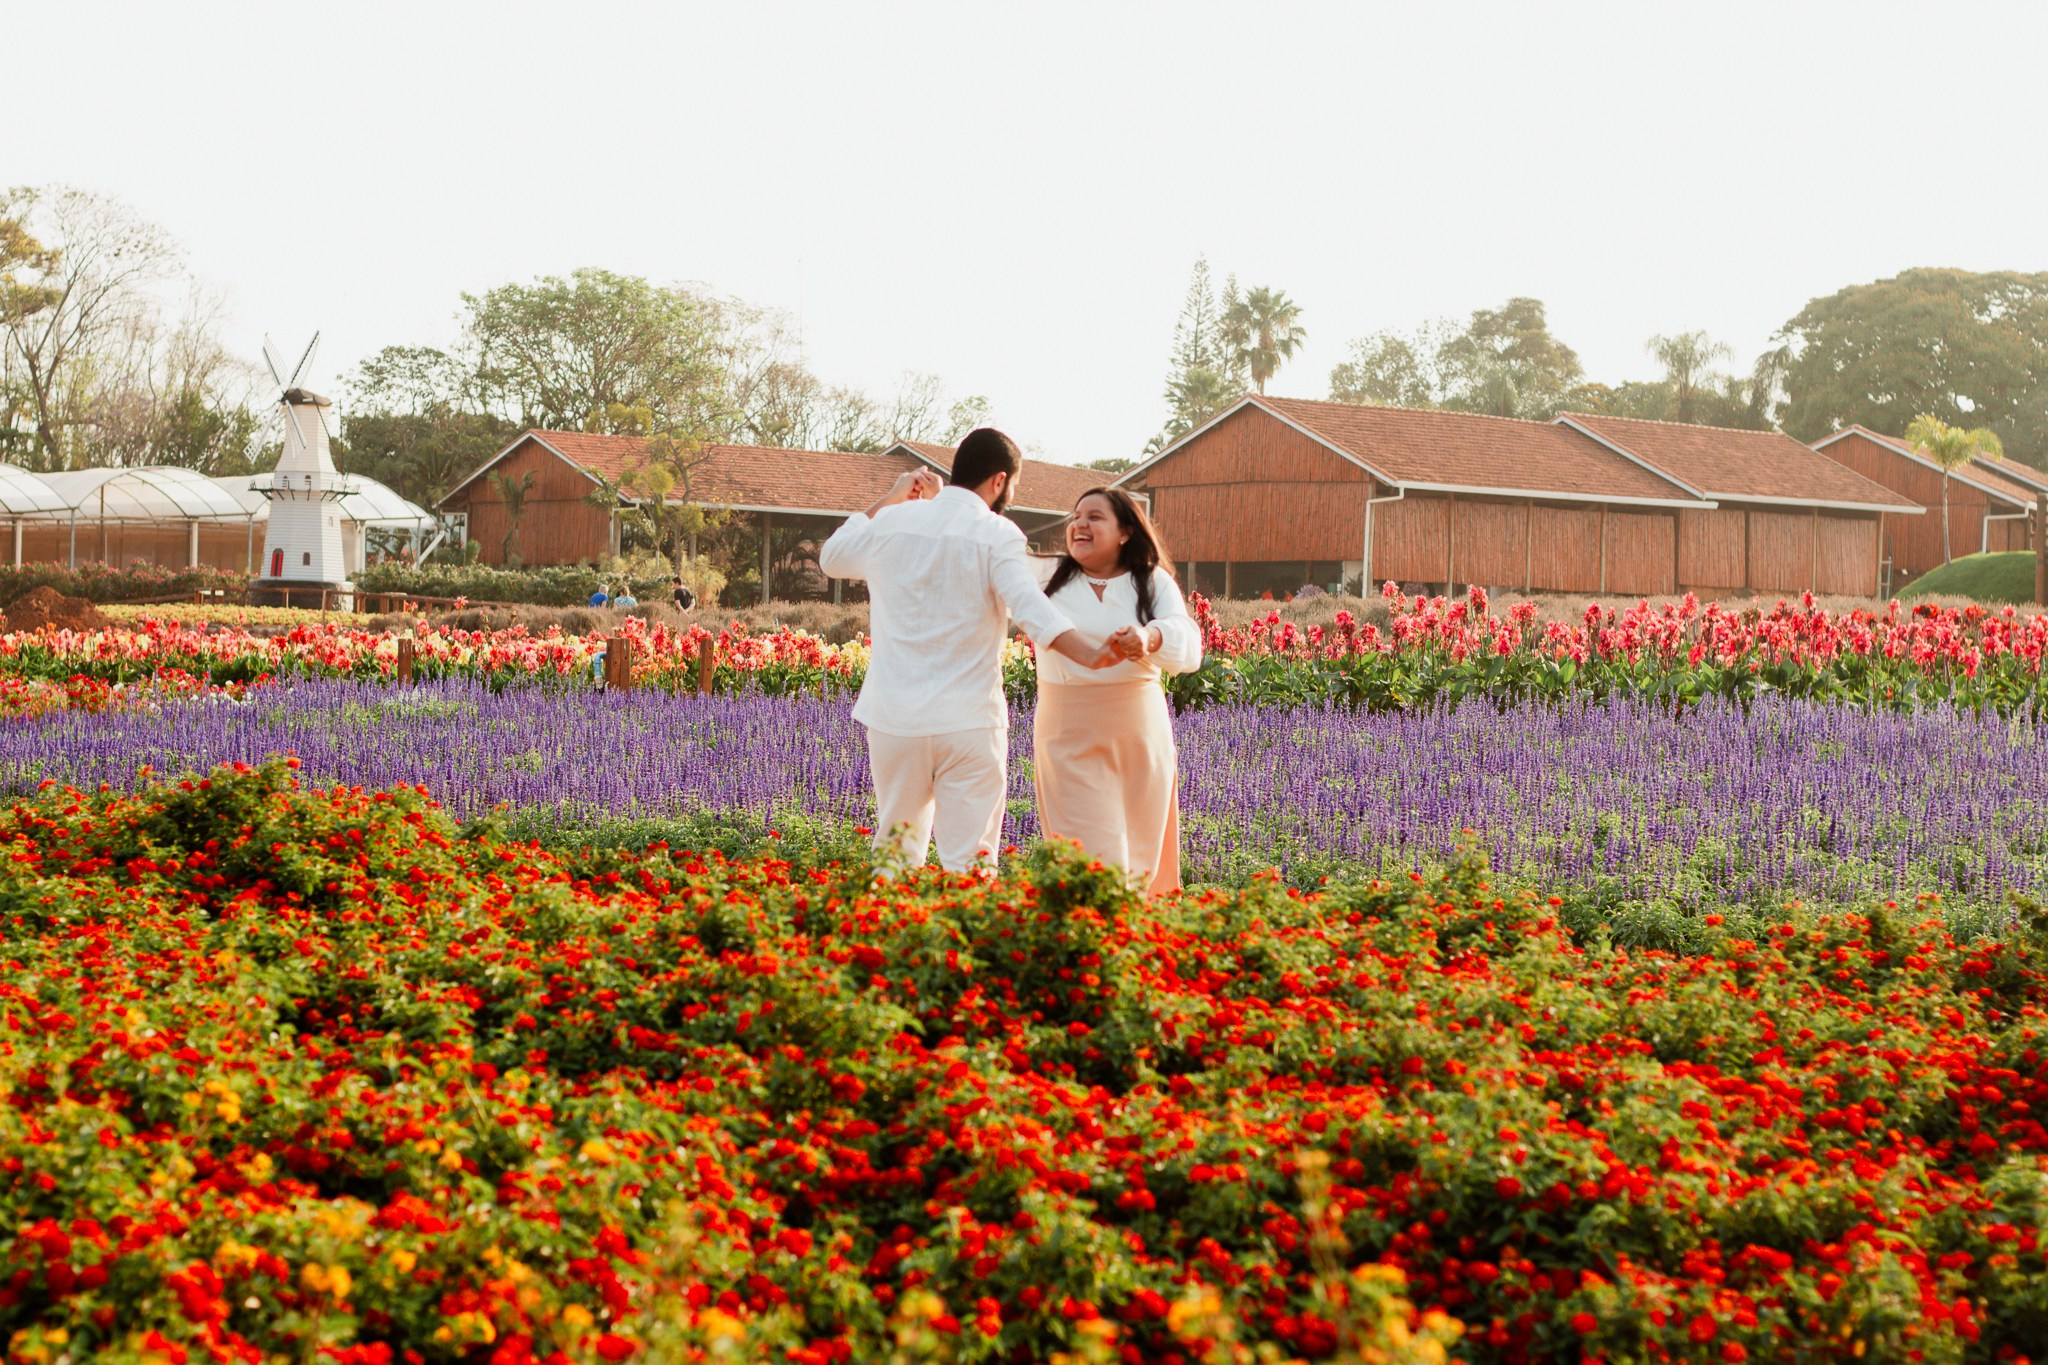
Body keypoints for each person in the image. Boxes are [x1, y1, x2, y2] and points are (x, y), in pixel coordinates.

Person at [818, 428, 1114, 873]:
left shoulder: (895, 522)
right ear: (999, 481)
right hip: (969, 722)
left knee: (895, 858)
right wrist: (1090, 654)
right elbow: (1030, 607)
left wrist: (894, 497)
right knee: (970, 865)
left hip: (896, 721)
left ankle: (883, 938)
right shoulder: (997, 533)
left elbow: (832, 557)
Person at [1033, 487, 1202, 895]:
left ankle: (1130, 949)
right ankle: (1095, 942)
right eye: (1075, 517)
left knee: (1139, 857)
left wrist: (1151, 637)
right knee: (1091, 856)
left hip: (1139, 734)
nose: (1079, 525)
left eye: (1094, 517)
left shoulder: (1151, 580)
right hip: (1067, 734)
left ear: (1125, 531)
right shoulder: (1042, 576)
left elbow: (1189, 642)